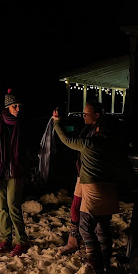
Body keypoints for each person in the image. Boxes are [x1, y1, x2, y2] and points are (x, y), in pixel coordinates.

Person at [52, 108, 130, 274]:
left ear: (99, 128)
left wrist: (56, 123)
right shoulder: (116, 147)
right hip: (111, 192)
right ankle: (106, 263)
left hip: (94, 190)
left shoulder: (89, 144)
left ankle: (96, 265)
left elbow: (66, 139)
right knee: (103, 227)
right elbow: (126, 169)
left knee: (86, 227)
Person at [0, 89, 30, 257]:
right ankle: (6, 239)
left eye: (19, 106)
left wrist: (26, 169)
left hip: (15, 172)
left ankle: (21, 241)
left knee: (13, 206)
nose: (18, 109)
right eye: (14, 106)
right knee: (2, 207)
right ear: (7, 107)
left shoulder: (21, 125)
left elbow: (27, 151)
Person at [57, 100, 104, 256]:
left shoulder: (98, 134)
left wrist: (56, 124)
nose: (83, 116)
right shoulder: (87, 130)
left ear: (96, 115)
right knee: (76, 208)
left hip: (92, 179)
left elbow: (69, 141)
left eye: (86, 113)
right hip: (83, 175)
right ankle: (74, 242)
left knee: (90, 215)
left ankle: (93, 249)